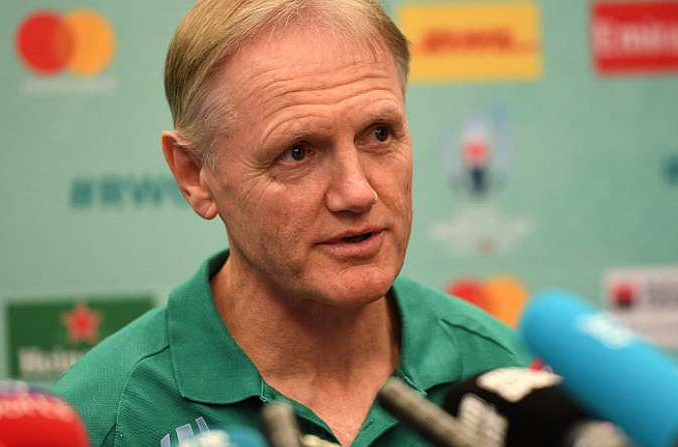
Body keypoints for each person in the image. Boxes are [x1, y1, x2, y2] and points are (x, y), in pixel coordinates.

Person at [54, 1, 529, 446]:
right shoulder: (101, 419)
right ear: (194, 174)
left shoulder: (508, 378)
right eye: (297, 152)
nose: (357, 192)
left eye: (379, 135)